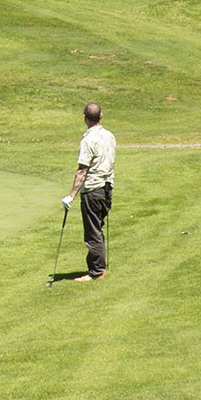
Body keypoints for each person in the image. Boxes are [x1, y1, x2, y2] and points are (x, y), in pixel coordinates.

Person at [71, 101, 116, 282]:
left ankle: (96, 271)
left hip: (93, 189)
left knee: (93, 232)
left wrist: (71, 195)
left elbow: (82, 170)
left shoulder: (88, 140)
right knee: (97, 228)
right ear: (101, 116)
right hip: (107, 189)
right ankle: (99, 266)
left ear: (84, 118)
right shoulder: (109, 136)